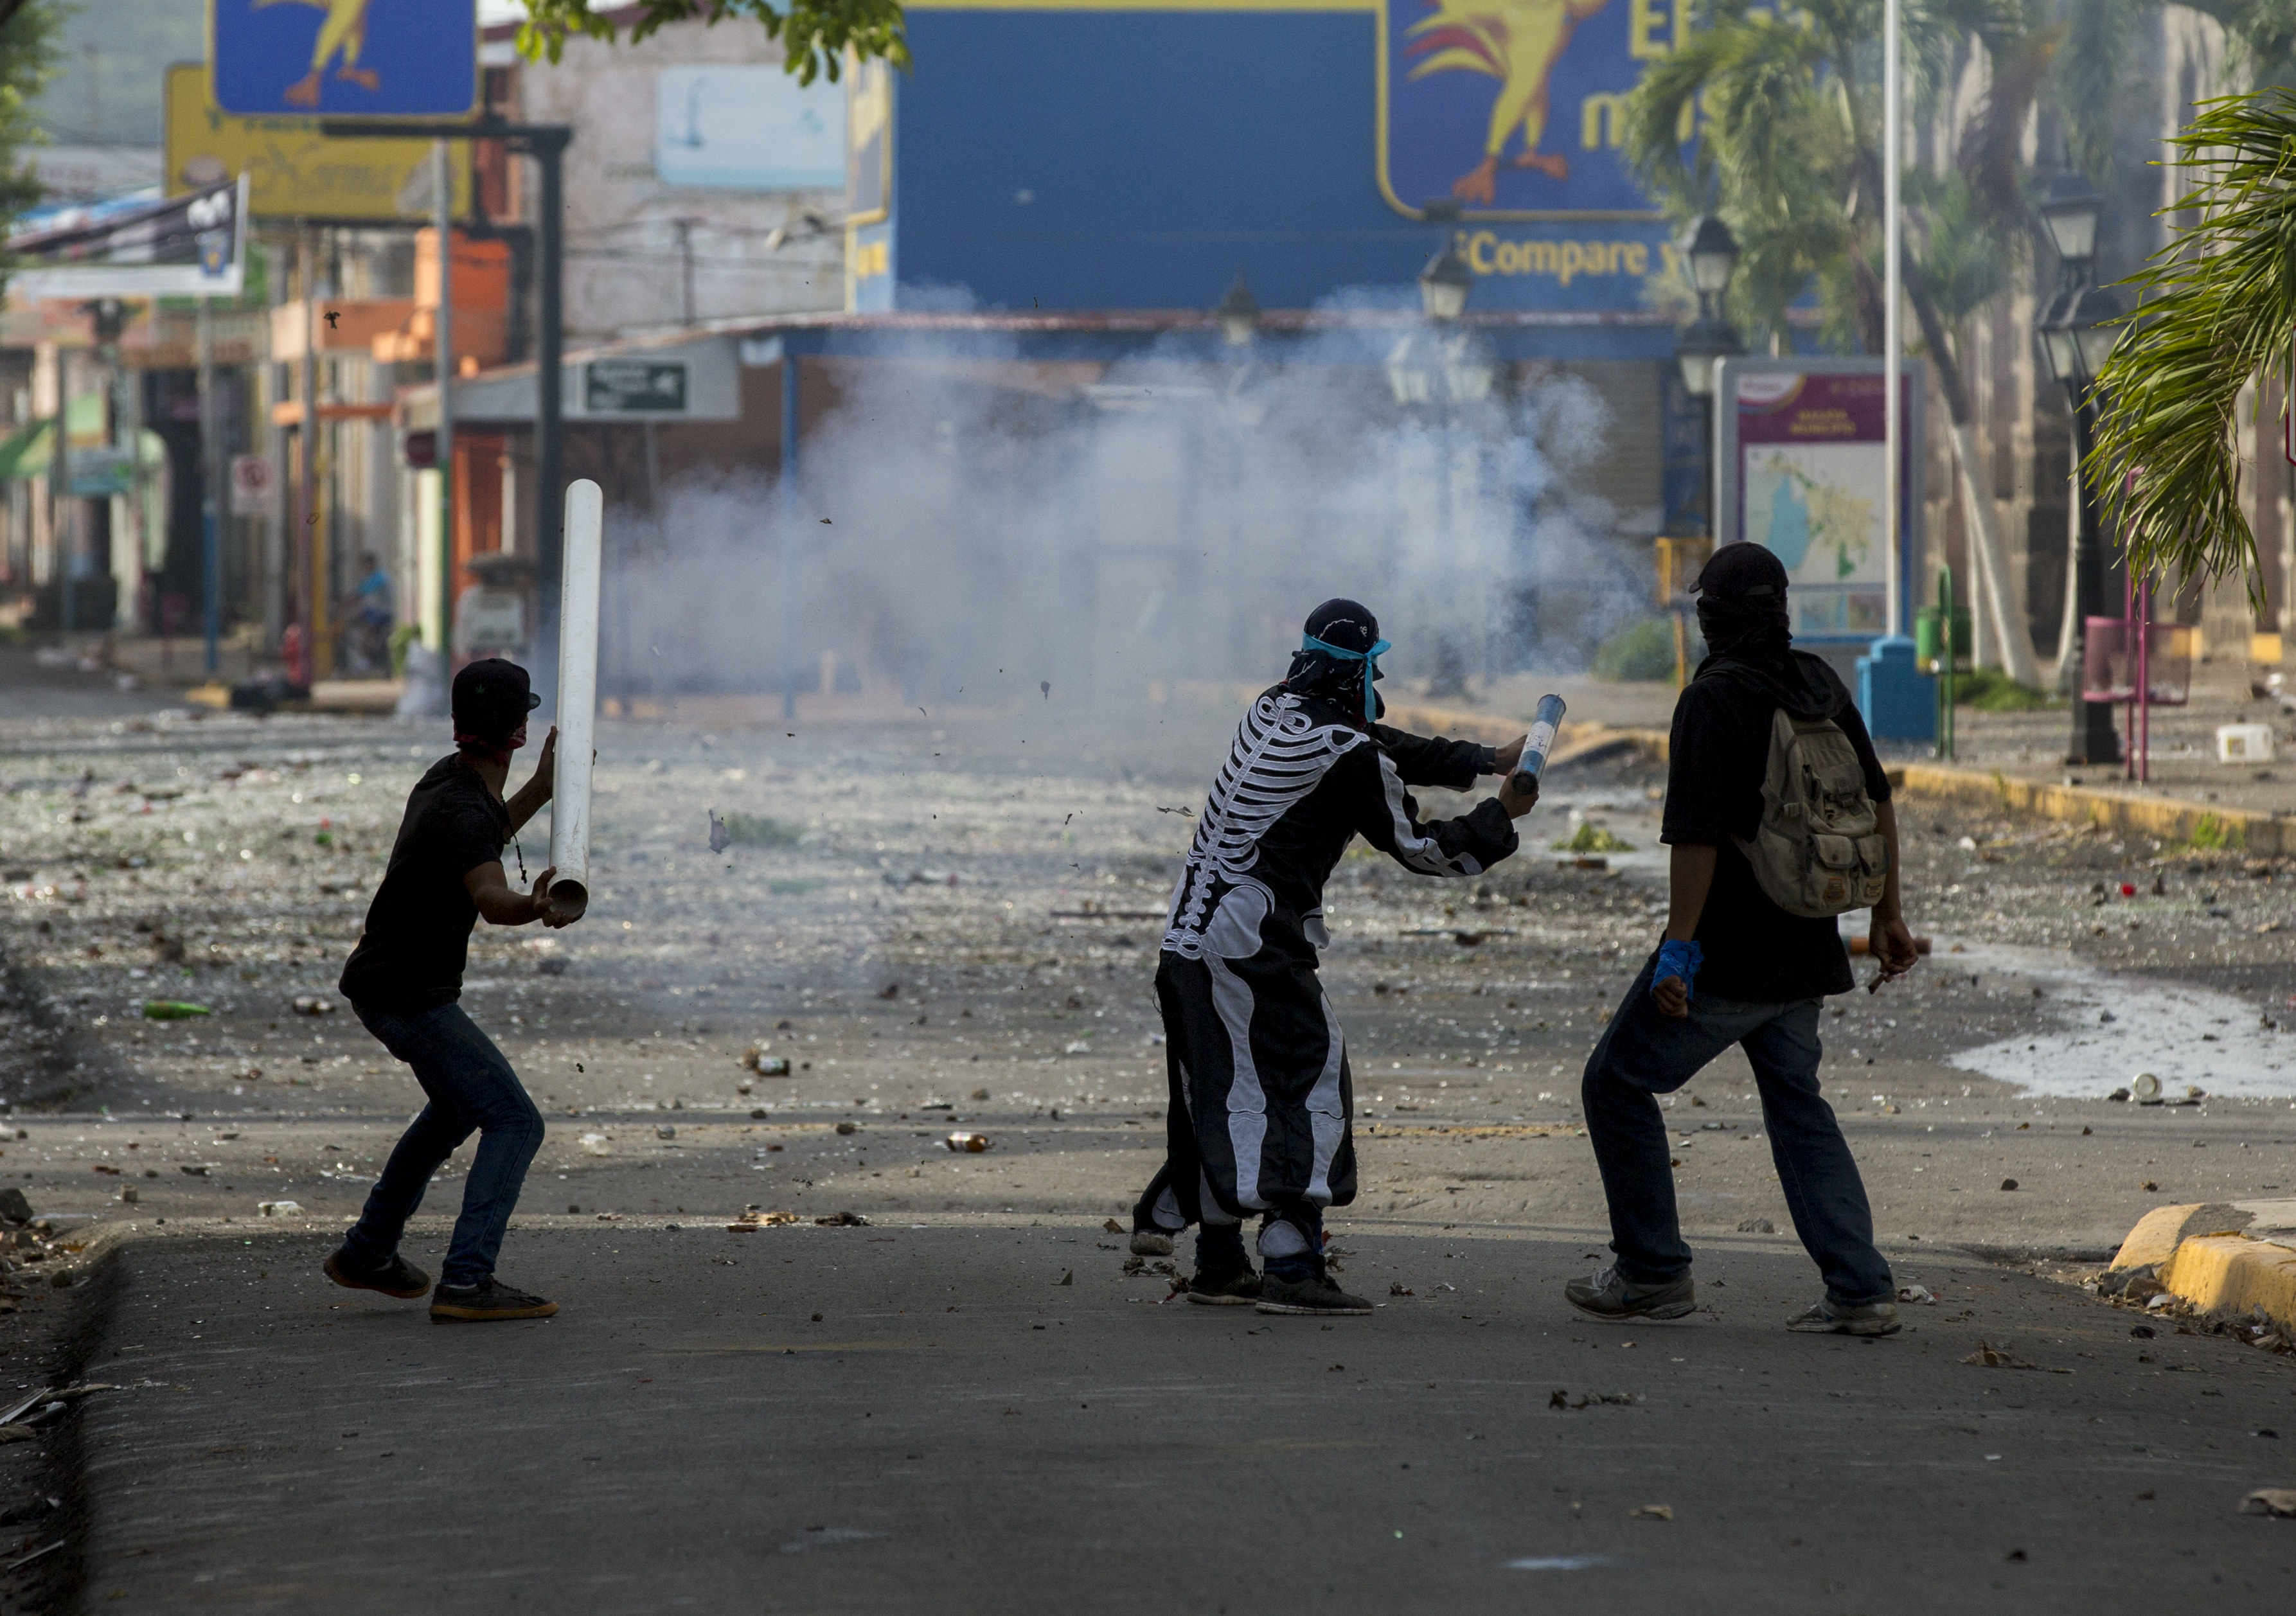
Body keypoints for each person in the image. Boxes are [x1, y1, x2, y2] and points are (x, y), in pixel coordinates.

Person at [1137, 599, 1538, 1316]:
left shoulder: (1273, 709)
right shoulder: (1348, 754)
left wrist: (1484, 759)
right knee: (1306, 1083)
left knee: (1222, 1090)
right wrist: (1501, 814)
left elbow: (1375, 744)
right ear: (1362, 667)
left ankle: (1221, 1263)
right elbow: (1420, 849)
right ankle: (1292, 1265)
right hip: (1252, 944)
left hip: (1186, 937)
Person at [1567, 542, 1919, 1336]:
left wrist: (1679, 953)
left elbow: (1695, 841)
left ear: (1709, 620)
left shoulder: (1713, 699)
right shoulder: (1819, 683)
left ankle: (1653, 1270)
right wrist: (1885, 916)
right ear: (1783, 608)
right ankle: (1861, 1288)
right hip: (1807, 944)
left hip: (1729, 955)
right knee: (1799, 1107)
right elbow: (1878, 801)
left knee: (1616, 1084)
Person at [325, 658, 574, 1322]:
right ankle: (466, 1279)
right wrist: (536, 905)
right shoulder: (464, 806)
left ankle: (368, 1250)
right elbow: (491, 896)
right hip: (408, 995)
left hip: (386, 984)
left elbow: (481, 841)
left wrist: (543, 791)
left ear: (460, 724)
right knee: (516, 1121)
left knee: (456, 1108)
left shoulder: (448, 781)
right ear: (521, 732)